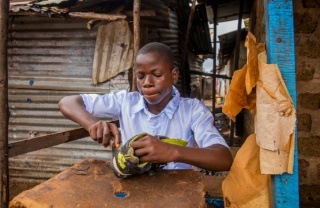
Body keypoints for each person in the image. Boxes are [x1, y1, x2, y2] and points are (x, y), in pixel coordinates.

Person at [58, 42, 233, 172]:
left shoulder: (192, 110)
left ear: (174, 75)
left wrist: (173, 152)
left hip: (177, 193)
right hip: (134, 190)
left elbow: (224, 158)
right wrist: (92, 124)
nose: (147, 83)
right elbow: (67, 102)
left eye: (156, 75)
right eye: (140, 76)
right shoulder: (126, 101)